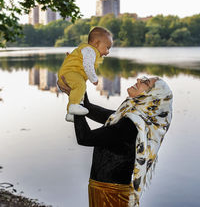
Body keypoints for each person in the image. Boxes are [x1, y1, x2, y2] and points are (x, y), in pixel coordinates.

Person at [57, 75, 173, 206]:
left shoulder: (131, 125)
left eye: (145, 82)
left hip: (112, 196)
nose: (138, 80)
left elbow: (85, 138)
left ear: (151, 98)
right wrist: (78, 80)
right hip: (103, 190)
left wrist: (75, 101)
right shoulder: (126, 116)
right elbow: (89, 108)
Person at [58, 26, 113, 122]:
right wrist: (94, 79)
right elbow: (88, 66)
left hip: (71, 73)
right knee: (80, 85)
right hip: (70, 72)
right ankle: (73, 107)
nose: (107, 52)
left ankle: (70, 114)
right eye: (107, 48)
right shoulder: (90, 51)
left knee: (79, 94)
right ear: (96, 43)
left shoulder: (88, 51)